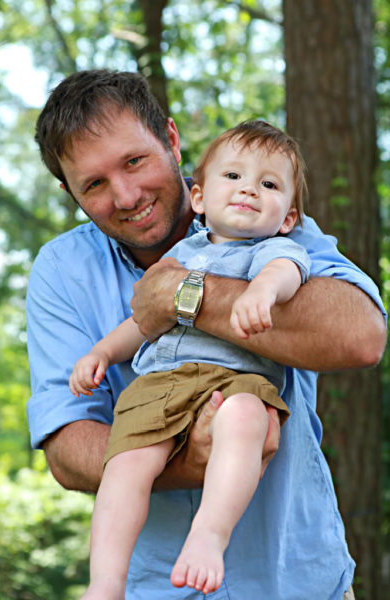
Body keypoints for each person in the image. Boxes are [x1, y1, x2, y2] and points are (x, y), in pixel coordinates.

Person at [27, 69, 386, 600]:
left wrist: (182, 296)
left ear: (170, 140)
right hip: (156, 586)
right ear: (69, 192)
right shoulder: (61, 270)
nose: (125, 195)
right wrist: (184, 454)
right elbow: (66, 447)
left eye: (134, 161)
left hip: (295, 578)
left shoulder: (257, 210)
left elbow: (362, 336)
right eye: (94, 184)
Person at [68, 119, 311, 599]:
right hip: (162, 382)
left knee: (245, 420)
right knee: (125, 463)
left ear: (287, 217)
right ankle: (106, 584)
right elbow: (145, 319)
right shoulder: (181, 256)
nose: (249, 190)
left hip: (235, 380)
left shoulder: (276, 250)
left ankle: (209, 534)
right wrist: (101, 352)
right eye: (234, 177)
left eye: (268, 184)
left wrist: (260, 293)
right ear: (199, 198)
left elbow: (286, 274)